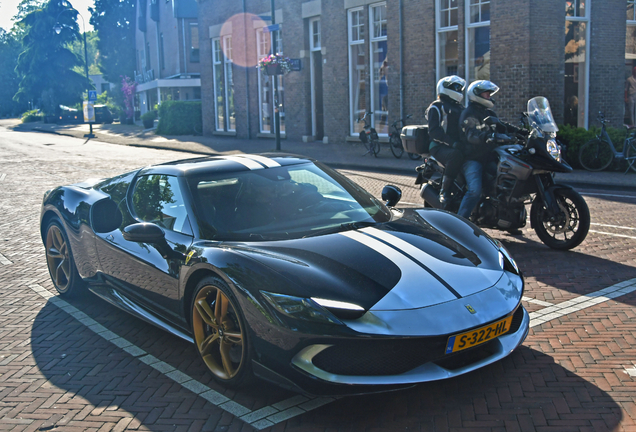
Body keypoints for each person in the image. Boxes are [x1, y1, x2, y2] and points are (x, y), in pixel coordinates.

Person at [458, 80, 525, 220]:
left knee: (508, 183)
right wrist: (487, 136)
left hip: (489, 156)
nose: (489, 96)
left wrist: (522, 133)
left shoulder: (488, 112)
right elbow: (471, 135)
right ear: (476, 94)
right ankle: (460, 223)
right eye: (486, 93)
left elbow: (502, 126)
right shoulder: (468, 113)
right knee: (474, 191)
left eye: (489, 93)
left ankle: (509, 219)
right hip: (473, 158)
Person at [425, 75, 466, 207]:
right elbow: (434, 131)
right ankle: (445, 191)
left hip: (456, 145)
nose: (458, 90)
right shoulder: (436, 107)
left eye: (459, 88)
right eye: (455, 87)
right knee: (455, 156)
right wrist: (452, 143)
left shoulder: (460, 108)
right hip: (438, 146)